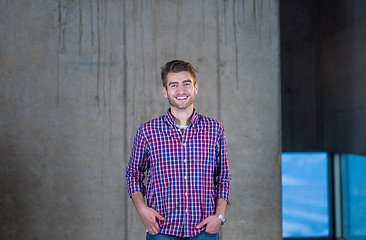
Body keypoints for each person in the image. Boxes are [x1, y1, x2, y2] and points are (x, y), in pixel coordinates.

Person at [126, 60, 231, 239]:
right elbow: (133, 174)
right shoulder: (147, 131)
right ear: (165, 91)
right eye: (173, 85)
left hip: (204, 231)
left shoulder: (215, 129)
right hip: (162, 231)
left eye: (186, 84)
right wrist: (142, 210)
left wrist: (219, 216)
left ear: (195, 88)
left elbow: (223, 177)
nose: (181, 90)